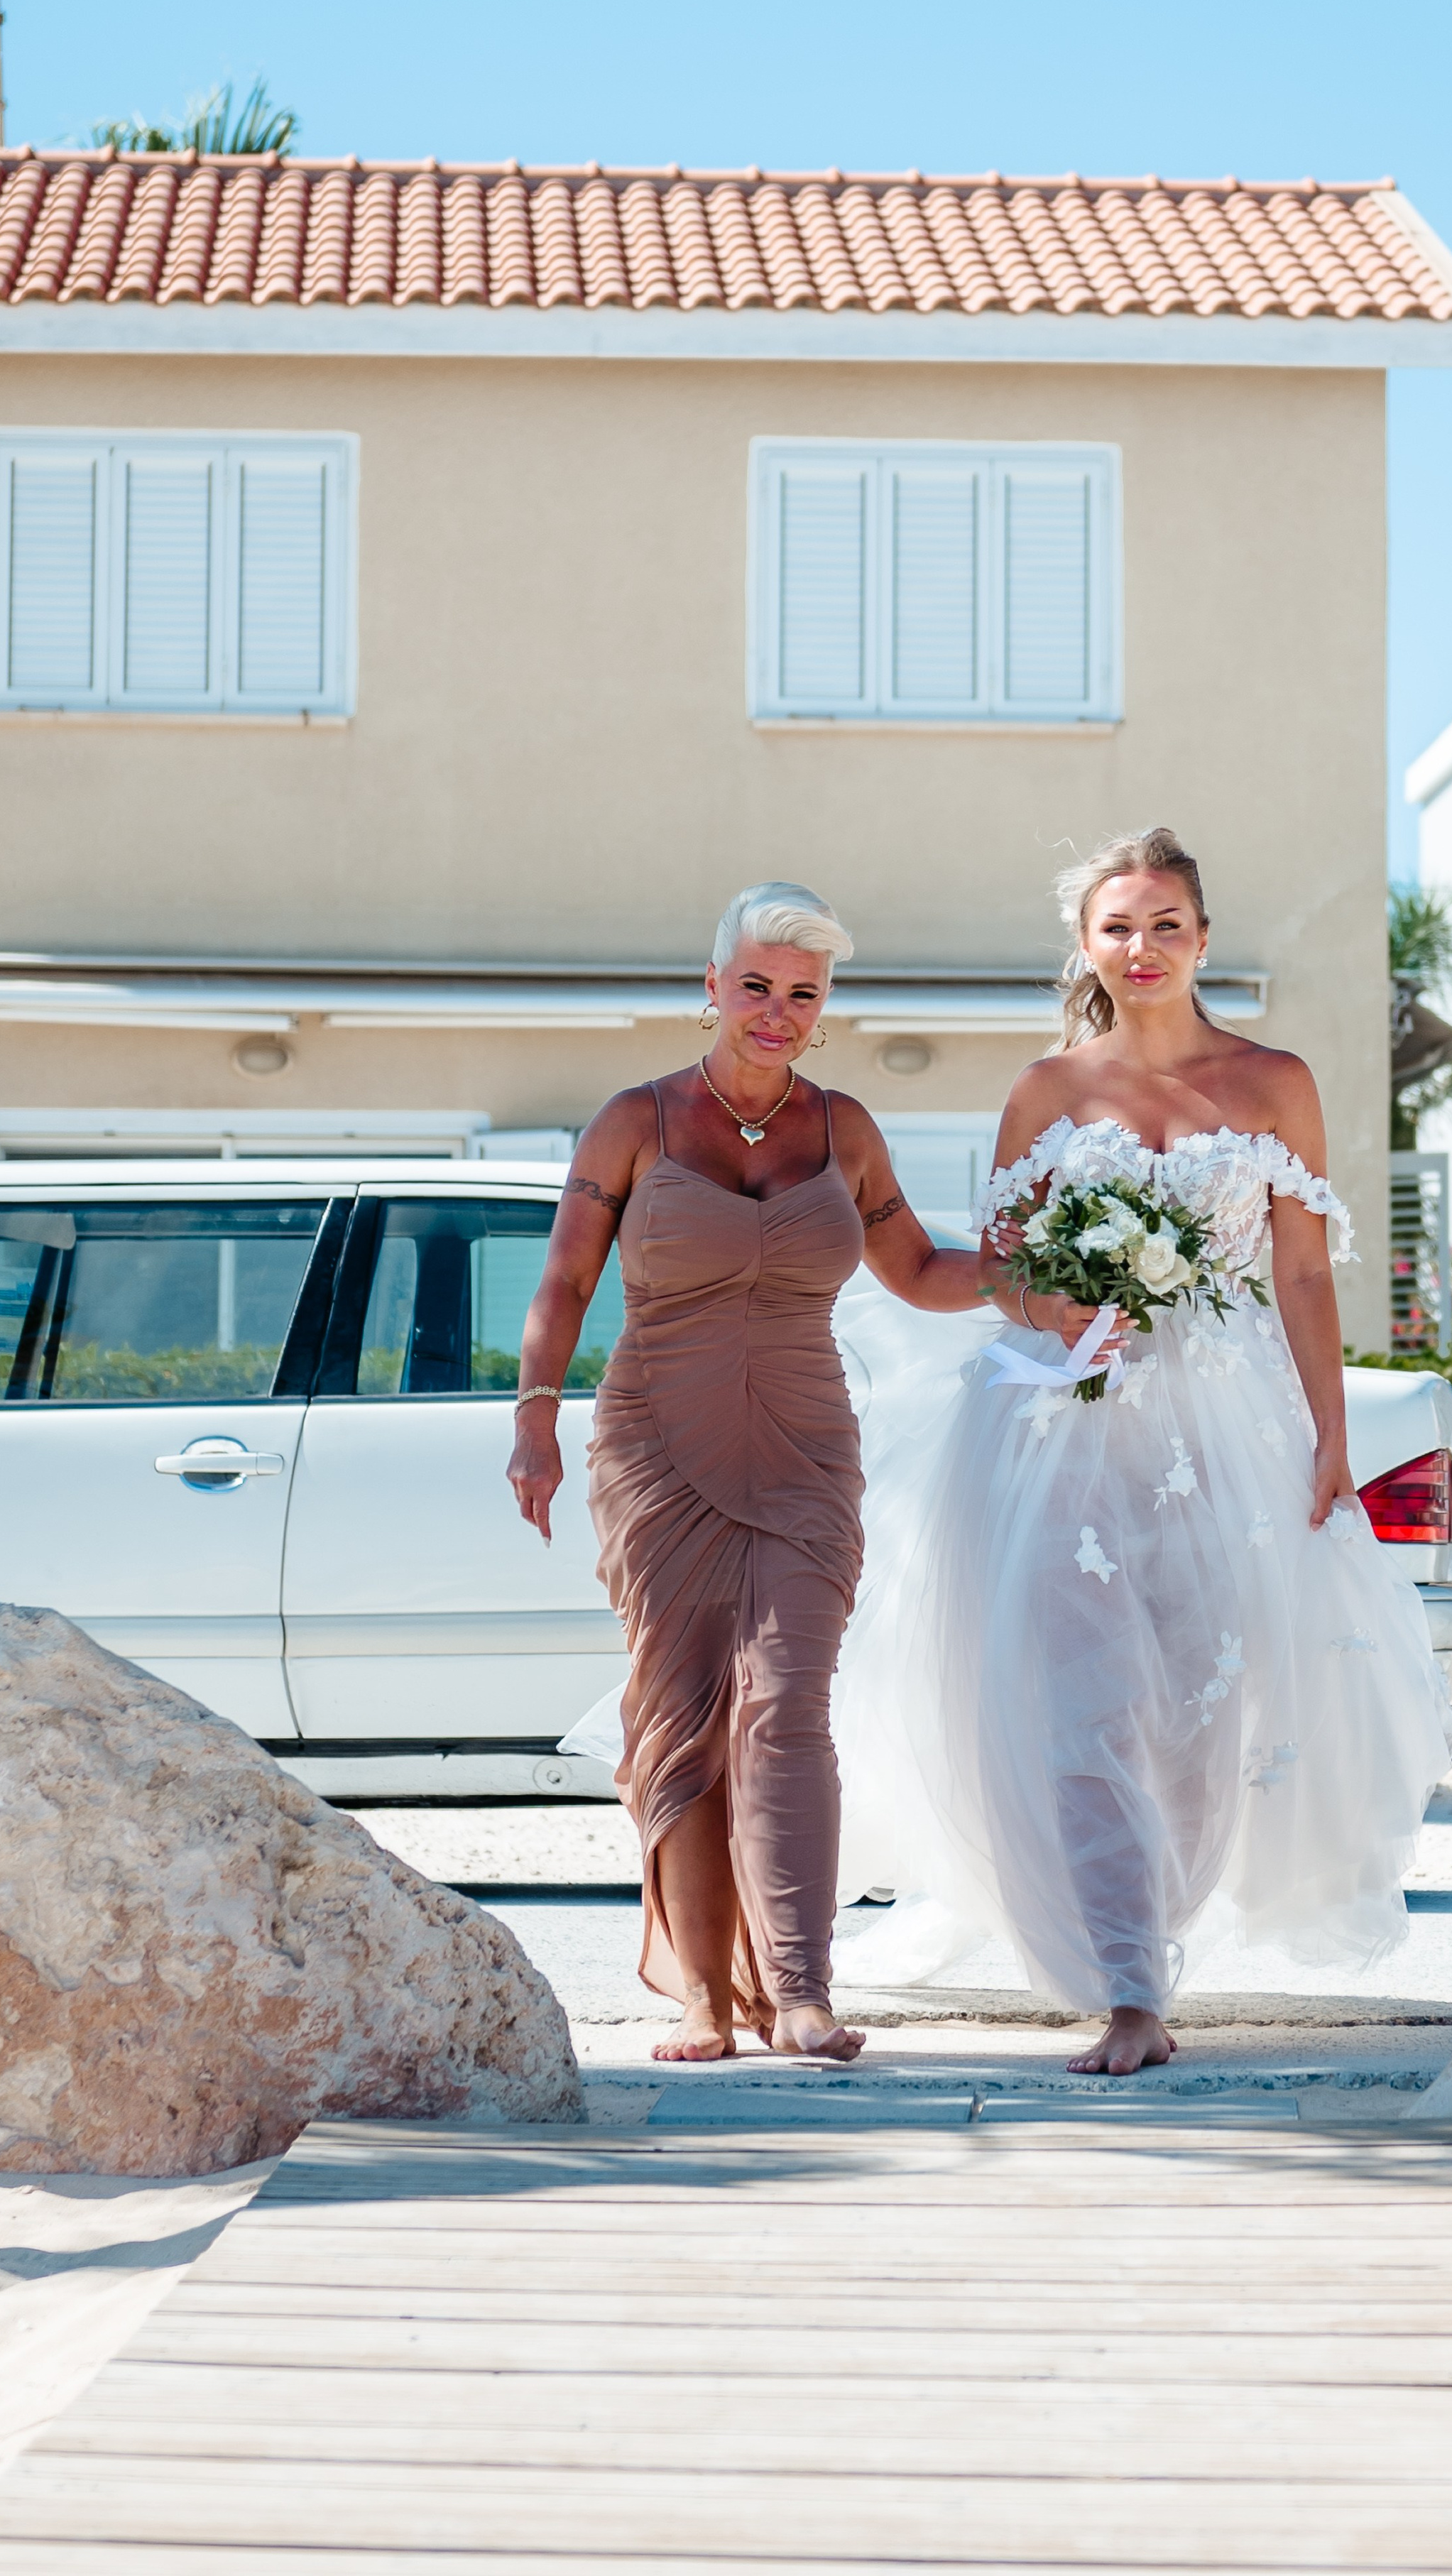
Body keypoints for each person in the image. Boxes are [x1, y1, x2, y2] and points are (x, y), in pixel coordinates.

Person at [831, 826, 1452, 2075]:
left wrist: (1333, 1439)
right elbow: (1000, 1268)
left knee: (1203, 1704)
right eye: (1119, 927)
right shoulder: (1046, 1093)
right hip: (1066, 1427)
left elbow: (1299, 1273)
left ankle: (1154, 1946)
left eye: (1166, 923)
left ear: (1204, 938)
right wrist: (1053, 1303)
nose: (1143, 947)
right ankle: (1128, 1983)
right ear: (1087, 946)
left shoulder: (1275, 1080)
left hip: (1231, 1429)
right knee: (1088, 1700)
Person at [507, 882, 980, 2064]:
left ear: (825, 1010)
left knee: (787, 1705)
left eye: (803, 993)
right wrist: (535, 1417)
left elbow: (917, 1268)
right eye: (757, 985)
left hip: (810, 1449)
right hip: (657, 1444)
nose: (777, 1010)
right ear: (714, 986)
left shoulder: (845, 1129)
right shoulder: (636, 1121)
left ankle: (805, 1992)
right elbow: (566, 1281)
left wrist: (1042, 1279)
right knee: (684, 1715)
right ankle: (708, 2003)